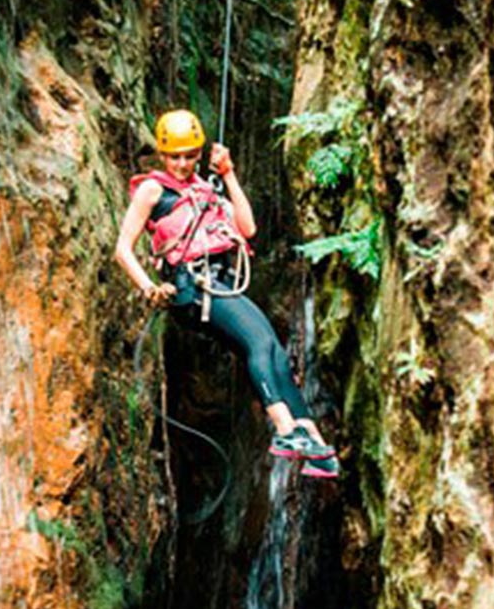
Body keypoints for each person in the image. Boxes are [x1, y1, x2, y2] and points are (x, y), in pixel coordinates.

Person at [114, 109, 339, 479]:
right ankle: (285, 432)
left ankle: (313, 443)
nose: (183, 164)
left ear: (199, 152)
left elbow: (247, 228)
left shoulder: (206, 188)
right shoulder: (154, 190)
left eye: (189, 155)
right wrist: (149, 288)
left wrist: (228, 173)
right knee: (257, 343)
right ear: (162, 155)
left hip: (220, 282)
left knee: (276, 354)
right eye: (174, 156)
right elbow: (123, 248)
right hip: (193, 287)